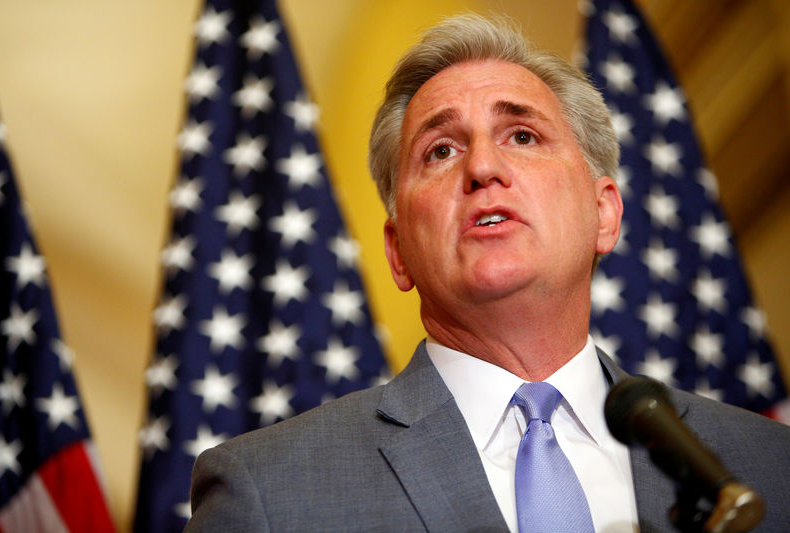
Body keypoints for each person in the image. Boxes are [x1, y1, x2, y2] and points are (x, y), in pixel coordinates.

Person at [185, 14, 790, 532]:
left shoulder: (770, 465)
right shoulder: (270, 493)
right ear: (398, 252)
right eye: (440, 150)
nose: (482, 167)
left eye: (522, 135)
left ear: (604, 214)